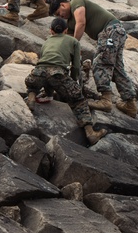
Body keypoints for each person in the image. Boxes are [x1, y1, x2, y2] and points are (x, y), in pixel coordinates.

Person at [25, 17, 108, 145]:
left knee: (34, 84)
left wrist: (49, 92)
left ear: (51, 31)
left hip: (37, 73)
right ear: (66, 30)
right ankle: (90, 133)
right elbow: (75, 66)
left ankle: (31, 99)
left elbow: (43, 64)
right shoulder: (73, 41)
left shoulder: (47, 41)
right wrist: (73, 84)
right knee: (78, 100)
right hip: (58, 73)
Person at [51, 0, 138, 116]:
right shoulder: (70, 22)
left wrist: (75, 47)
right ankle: (130, 104)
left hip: (110, 30)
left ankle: (106, 100)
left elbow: (81, 23)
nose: (60, 17)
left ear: (63, 5)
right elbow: (68, 39)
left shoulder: (76, 2)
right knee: (117, 68)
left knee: (100, 63)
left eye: (59, 13)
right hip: (116, 32)